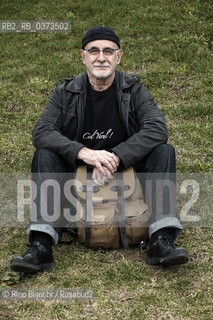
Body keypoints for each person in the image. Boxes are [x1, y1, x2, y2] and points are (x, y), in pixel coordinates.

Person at [10, 26, 188, 273]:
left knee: (163, 151)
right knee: (45, 155)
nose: (101, 57)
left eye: (108, 50)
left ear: (119, 56)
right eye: (94, 50)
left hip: (126, 172)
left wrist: (117, 156)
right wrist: (84, 153)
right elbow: (41, 132)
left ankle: (161, 240)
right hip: (77, 175)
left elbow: (157, 128)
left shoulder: (133, 89)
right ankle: (41, 246)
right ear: (83, 56)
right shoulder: (65, 91)